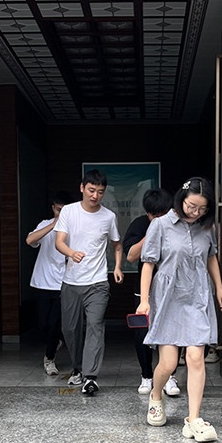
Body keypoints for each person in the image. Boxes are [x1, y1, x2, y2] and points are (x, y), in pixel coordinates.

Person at [136, 177, 222, 442]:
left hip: (197, 295)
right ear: (181, 199)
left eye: (202, 208)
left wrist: (219, 288)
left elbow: (211, 257)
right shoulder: (160, 225)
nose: (196, 212)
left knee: (196, 357)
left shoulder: (206, 227)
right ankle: (156, 395)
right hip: (168, 297)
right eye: (191, 206)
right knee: (167, 363)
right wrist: (144, 300)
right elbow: (148, 264)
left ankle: (193, 419)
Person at [55, 169, 124, 396]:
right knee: (70, 328)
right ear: (82, 188)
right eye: (91, 190)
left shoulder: (108, 217)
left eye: (100, 192)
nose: (95, 195)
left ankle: (90, 377)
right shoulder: (69, 211)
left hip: (97, 282)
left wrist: (117, 267)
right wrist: (71, 253)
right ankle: (78, 368)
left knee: (95, 325)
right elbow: (59, 242)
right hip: (71, 282)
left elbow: (117, 244)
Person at [123, 189, 180, 397]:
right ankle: (146, 375)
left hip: (172, 289)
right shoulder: (140, 225)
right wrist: (151, 234)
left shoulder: (178, 225)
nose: (160, 219)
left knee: (173, 333)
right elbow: (130, 256)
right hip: (144, 291)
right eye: (155, 216)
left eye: (163, 214)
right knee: (142, 333)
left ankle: (170, 376)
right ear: (148, 213)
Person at [26, 190, 74, 376]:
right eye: (58, 210)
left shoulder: (75, 227)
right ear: (53, 208)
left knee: (54, 324)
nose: (60, 213)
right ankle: (56, 342)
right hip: (42, 282)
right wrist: (54, 224)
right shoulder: (44, 224)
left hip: (64, 283)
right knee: (43, 324)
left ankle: (49, 358)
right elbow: (30, 240)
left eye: (64, 210)